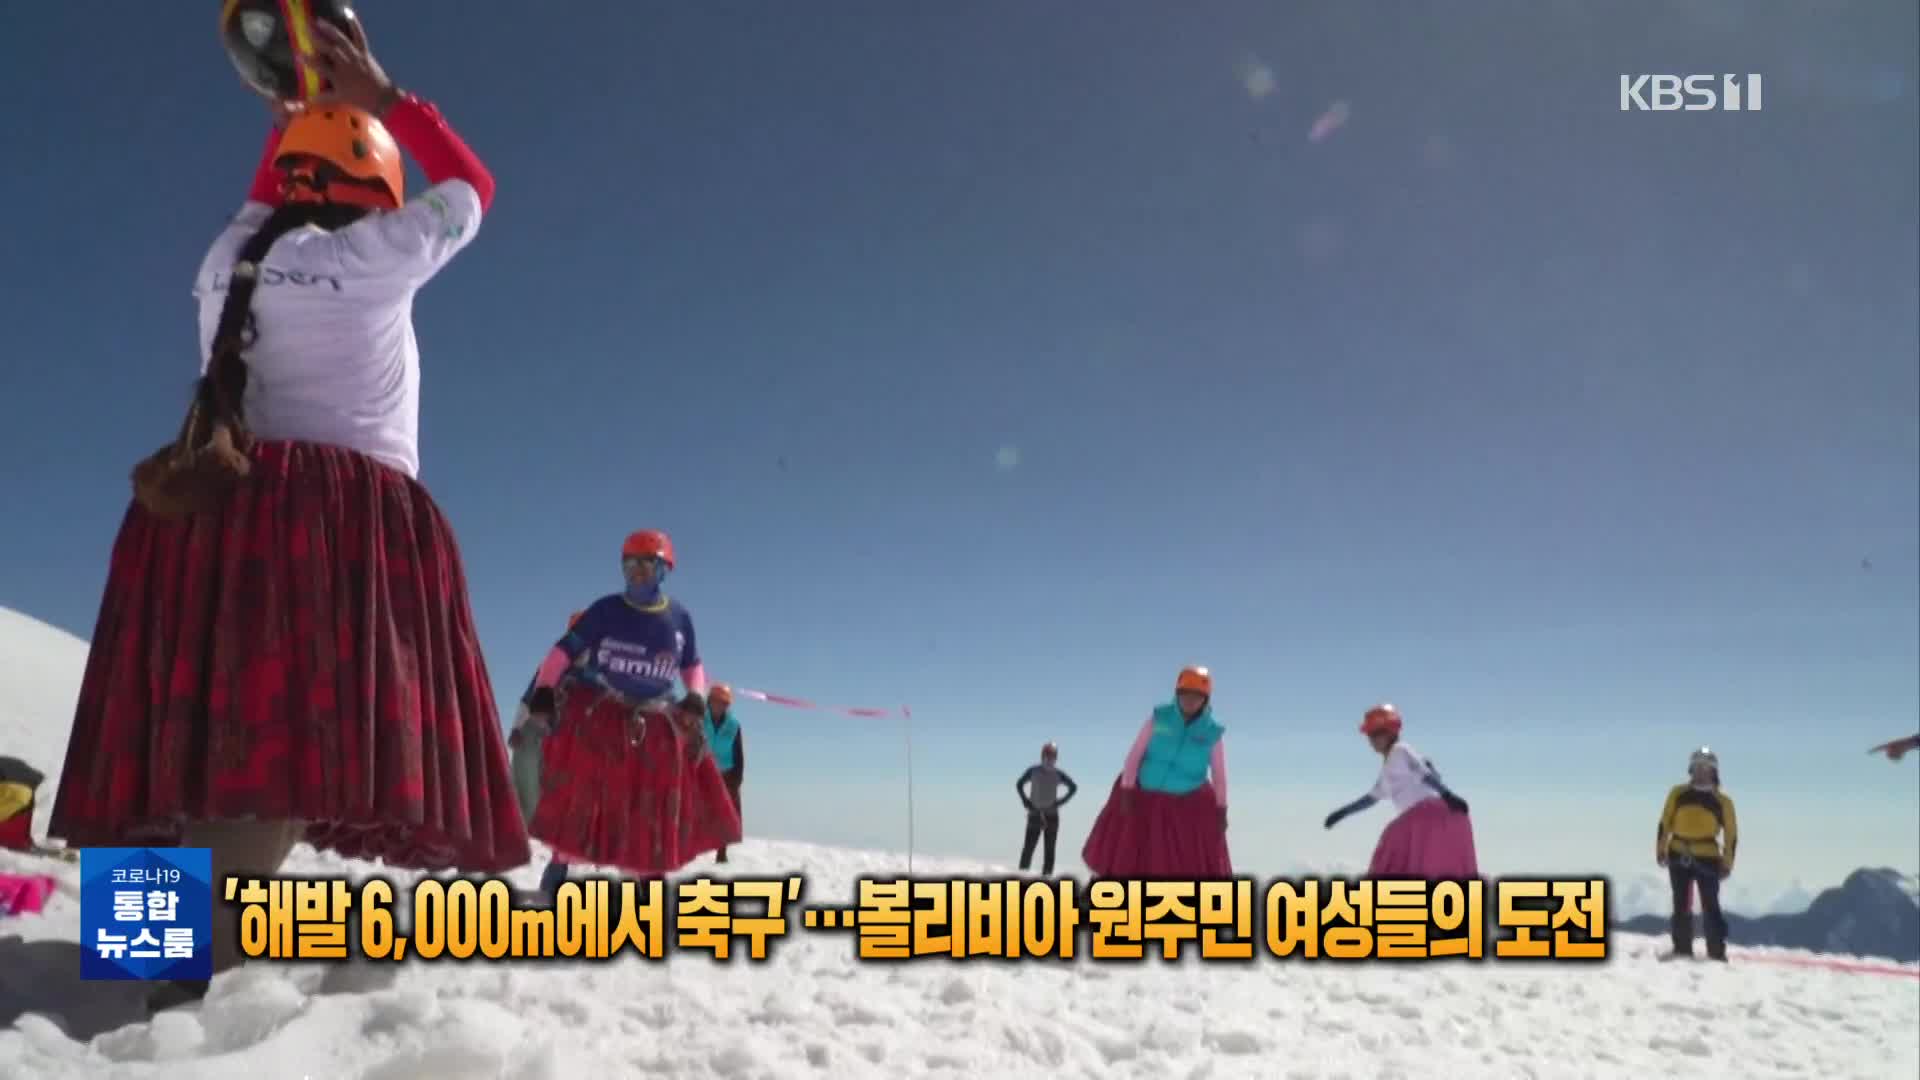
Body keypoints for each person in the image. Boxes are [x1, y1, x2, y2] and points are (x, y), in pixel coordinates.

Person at [45, 21, 527, 1011]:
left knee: (178, 742)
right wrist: (389, 97)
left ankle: (146, 968)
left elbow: (273, 196)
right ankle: (194, 1005)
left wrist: (298, 116)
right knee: (273, 755)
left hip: (205, 516)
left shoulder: (228, 257)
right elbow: (475, 189)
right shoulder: (375, 257)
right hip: (328, 525)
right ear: (374, 186)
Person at [521, 530, 741, 896]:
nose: (636, 571)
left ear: (664, 568)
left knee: (650, 813)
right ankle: (558, 873)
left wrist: (697, 697)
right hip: (603, 719)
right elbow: (561, 652)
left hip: (656, 726)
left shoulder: (679, 618)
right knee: (583, 801)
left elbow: (692, 666)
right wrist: (544, 690)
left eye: (646, 563)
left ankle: (648, 891)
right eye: (629, 563)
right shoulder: (605, 610)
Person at [1080, 666, 1231, 878]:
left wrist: (1221, 809)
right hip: (1142, 795)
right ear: (1177, 694)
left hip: (1184, 804)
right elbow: (1134, 756)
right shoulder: (1159, 718)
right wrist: (1127, 790)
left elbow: (1219, 776)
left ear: (1205, 699)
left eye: (1196, 696)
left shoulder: (1212, 732)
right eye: (1185, 694)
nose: (1190, 700)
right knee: (1128, 850)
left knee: (1178, 861)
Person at [1323, 704, 1478, 880]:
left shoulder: (1400, 750)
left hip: (1427, 815)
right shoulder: (1389, 766)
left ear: (1390, 732)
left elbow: (1423, 773)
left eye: (1375, 734)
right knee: (1425, 868)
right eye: (1369, 735)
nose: (1371, 741)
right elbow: (1372, 798)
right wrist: (1341, 814)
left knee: (1391, 853)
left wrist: (1447, 795)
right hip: (1432, 818)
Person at [1657, 746, 1738, 961]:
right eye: (1698, 767)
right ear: (1691, 769)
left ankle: (1716, 952)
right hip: (1678, 853)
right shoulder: (1678, 793)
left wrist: (1728, 862)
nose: (1702, 771)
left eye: (1706, 768)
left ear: (1714, 772)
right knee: (1681, 903)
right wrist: (1661, 848)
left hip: (1708, 856)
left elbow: (1731, 835)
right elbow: (1665, 822)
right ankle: (1682, 949)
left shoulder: (1723, 802)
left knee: (1710, 905)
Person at [1015, 741, 1079, 876]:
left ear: (1056, 757)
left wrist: (1060, 802)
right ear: (1042, 755)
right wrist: (1025, 800)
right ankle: (1020, 880)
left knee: (1049, 851)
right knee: (1028, 849)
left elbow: (1073, 787)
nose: (1049, 758)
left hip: (1051, 816)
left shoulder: (1058, 774)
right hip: (1035, 814)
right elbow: (1019, 784)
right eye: (1047, 754)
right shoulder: (1033, 771)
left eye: (1052, 755)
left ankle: (1047, 881)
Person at [704, 684, 745, 863]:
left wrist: (737, 777)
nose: (721, 706)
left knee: (726, 814)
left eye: (725, 703)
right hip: (702, 770)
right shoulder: (699, 719)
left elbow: (739, 752)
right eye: (718, 702)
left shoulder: (734, 725)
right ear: (710, 701)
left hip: (726, 773)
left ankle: (721, 853)